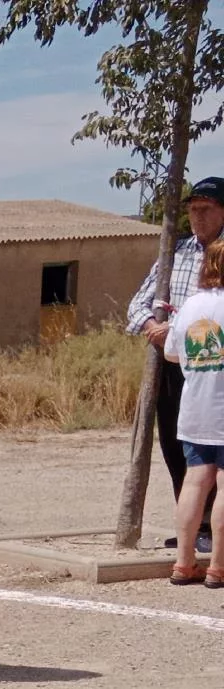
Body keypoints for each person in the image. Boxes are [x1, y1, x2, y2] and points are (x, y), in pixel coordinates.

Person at [129, 175, 224, 539]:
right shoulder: (176, 252)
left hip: (214, 364)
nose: (197, 217)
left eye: (206, 209)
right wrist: (152, 324)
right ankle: (193, 526)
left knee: (217, 450)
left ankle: (214, 530)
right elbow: (137, 303)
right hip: (175, 366)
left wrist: (178, 328)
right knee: (176, 441)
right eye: (192, 210)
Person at [160, 236, 224, 585]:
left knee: (195, 482)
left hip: (195, 408)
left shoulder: (190, 305)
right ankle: (218, 565)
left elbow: (171, 352)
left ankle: (184, 562)